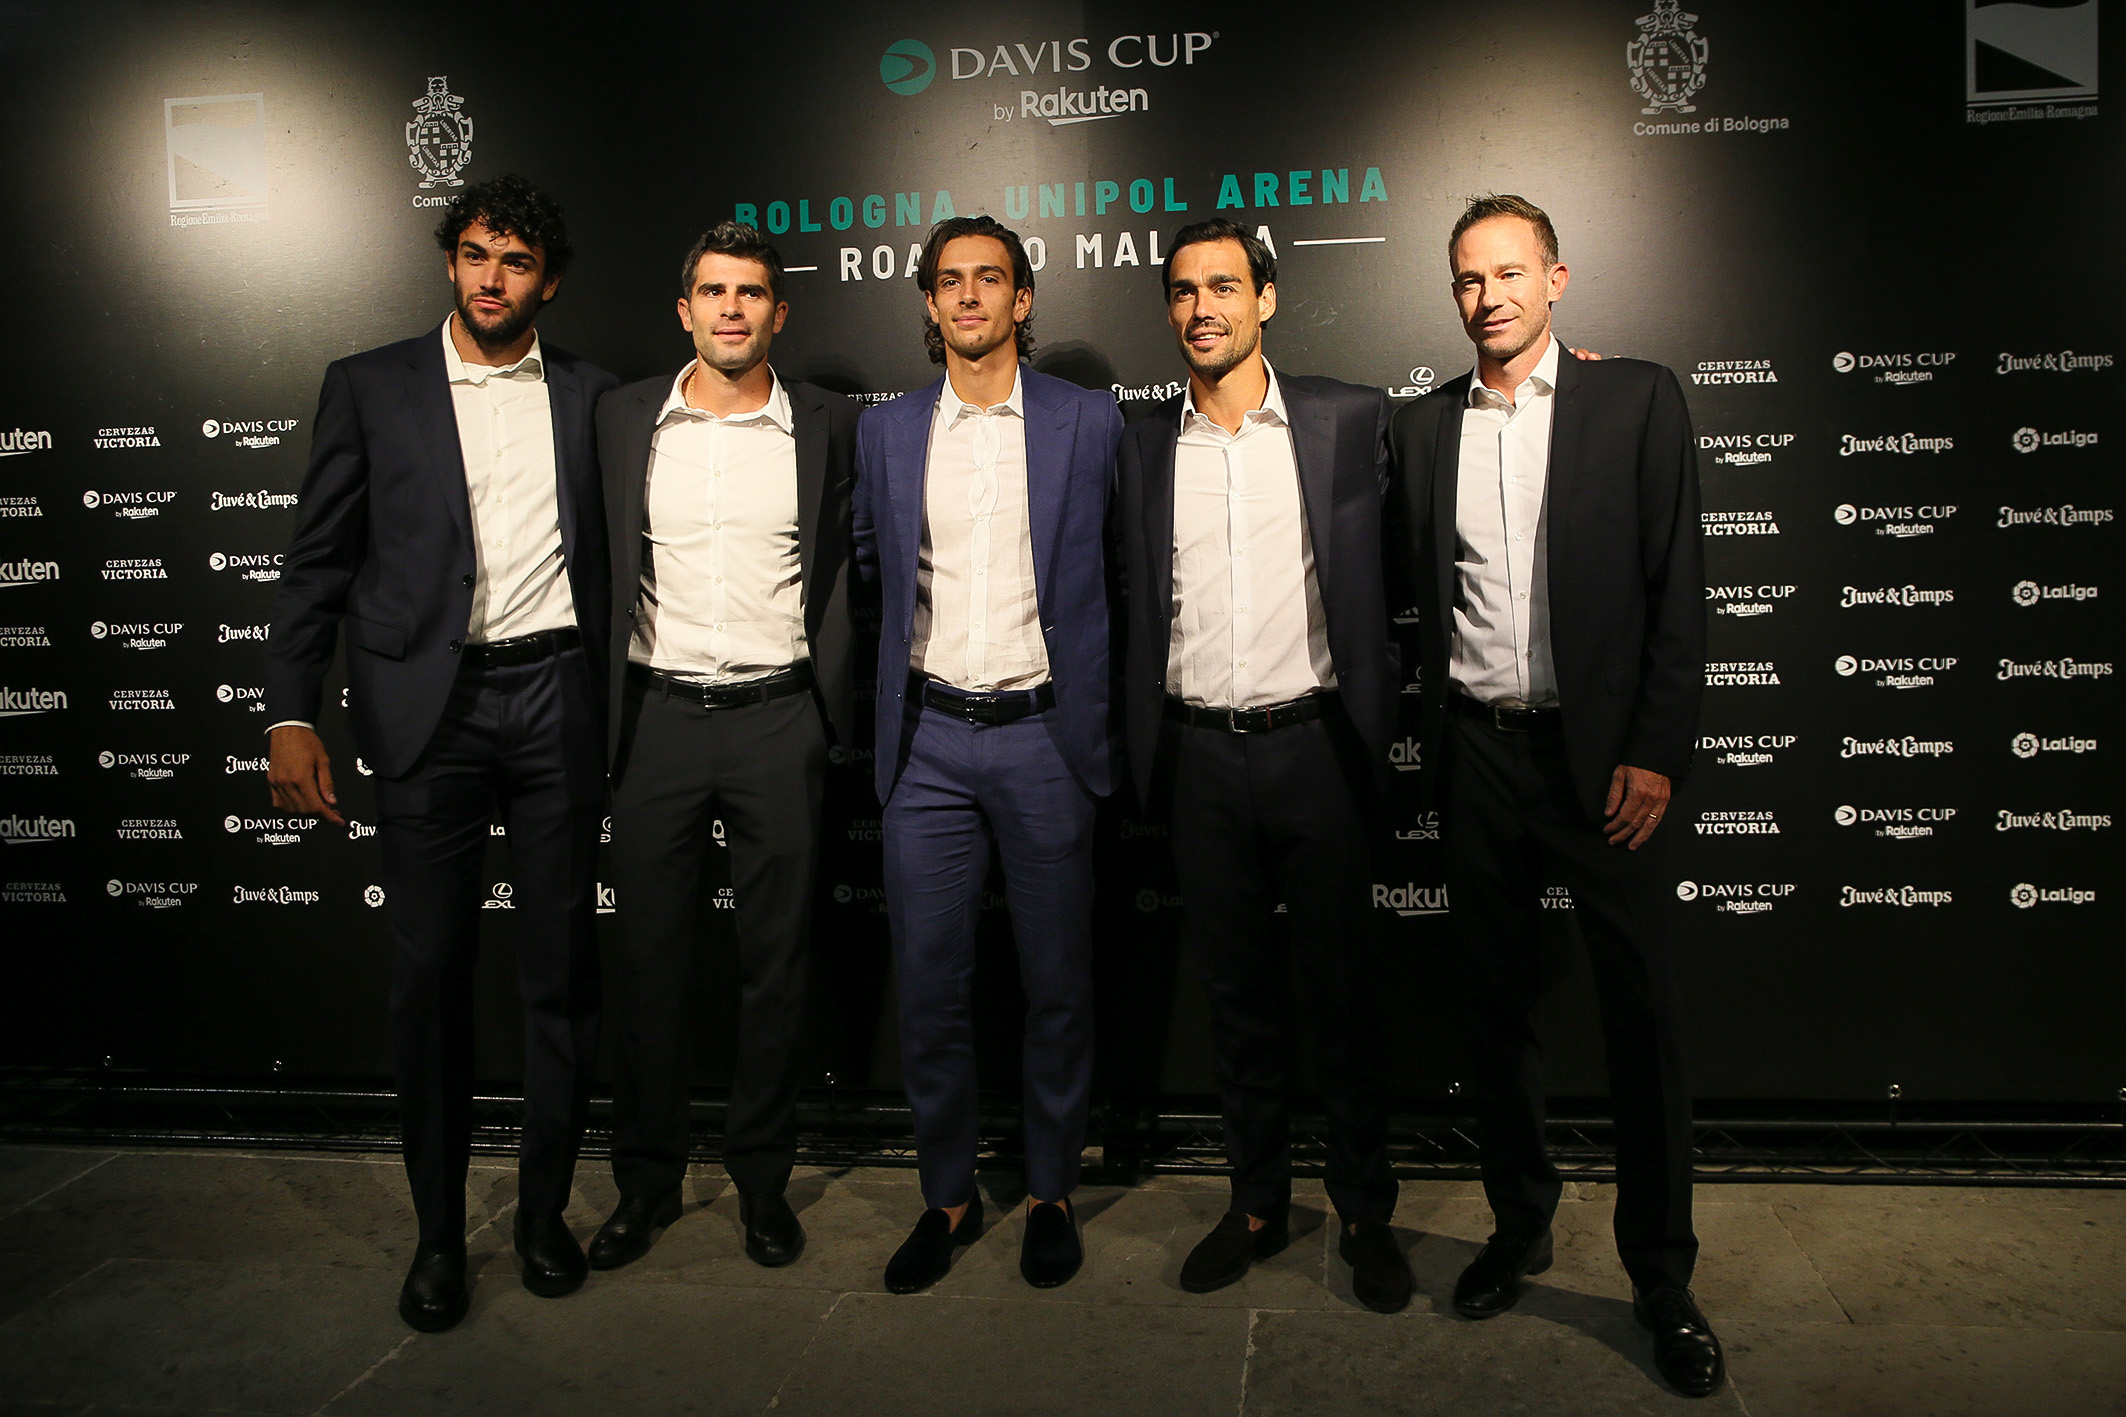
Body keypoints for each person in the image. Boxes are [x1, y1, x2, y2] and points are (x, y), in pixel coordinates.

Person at [264, 176, 616, 1332]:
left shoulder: (593, 397)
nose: (490, 278)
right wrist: (290, 710)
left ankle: (542, 1216)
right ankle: (434, 1238)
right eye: (473, 255)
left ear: (546, 281)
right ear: (449, 262)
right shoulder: (368, 386)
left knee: (558, 972)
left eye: (514, 263)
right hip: (427, 714)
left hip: (555, 695)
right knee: (429, 982)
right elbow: (318, 562)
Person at [1387, 194, 1720, 1396]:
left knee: (1641, 1020)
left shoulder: (1634, 399)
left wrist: (1654, 749)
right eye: (1469, 277)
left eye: (1510, 272)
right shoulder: (1422, 428)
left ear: (1557, 279)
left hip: (1601, 766)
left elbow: (1676, 587)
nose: (1489, 296)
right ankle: (1517, 1222)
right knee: (1493, 1012)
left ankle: (1659, 1273)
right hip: (1475, 755)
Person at [1114, 219, 1408, 1311]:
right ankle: (1254, 1202)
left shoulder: (1347, 418)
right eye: (1184, 291)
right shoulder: (1140, 446)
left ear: (1266, 299)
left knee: (1341, 1001)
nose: (1202, 308)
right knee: (1234, 999)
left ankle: (1366, 1214)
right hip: (1195, 756)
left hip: (1318, 752)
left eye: (1224, 287)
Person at [851, 215, 1122, 1293]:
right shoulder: (885, 433)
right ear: (927, 303)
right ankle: (948, 1197)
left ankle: (1050, 1189)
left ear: (1021, 301)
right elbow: (869, 573)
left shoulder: (1088, 422)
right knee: (928, 985)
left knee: (1057, 982)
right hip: (926, 746)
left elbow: (1127, 569)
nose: (968, 297)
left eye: (989, 280)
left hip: (1045, 740)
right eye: (948, 281)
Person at [586, 223, 857, 1274]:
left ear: (777, 314)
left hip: (777, 717)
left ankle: (760, 1183)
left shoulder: (826, 428)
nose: (731, 309)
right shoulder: (621, 418)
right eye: (713, 291)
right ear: (684, 308)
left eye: (751, 294)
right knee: (648, 967)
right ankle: (646, 1183)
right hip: (651, 718)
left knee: (775, 968)